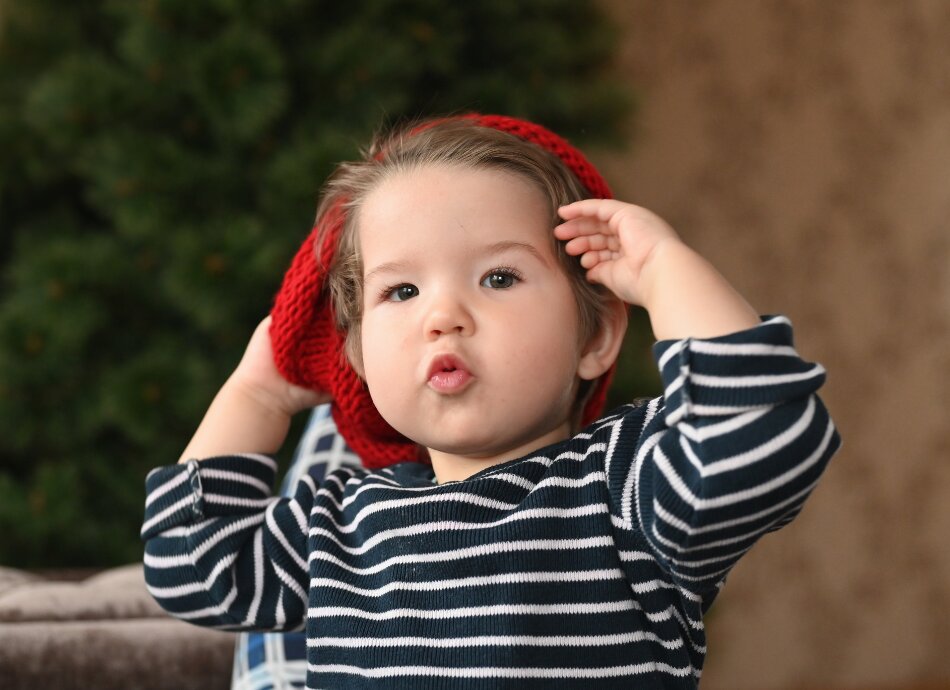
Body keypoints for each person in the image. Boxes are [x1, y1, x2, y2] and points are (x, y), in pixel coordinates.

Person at [142, 114, 840, 688]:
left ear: (595, 336)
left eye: (499, 277)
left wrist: (664, 271)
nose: (442, 315)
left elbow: (759, 434)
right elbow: (192, 564)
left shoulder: (624, 489)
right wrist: (258, 392)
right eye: (401, 291)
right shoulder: (341, 527)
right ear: (357, 356)